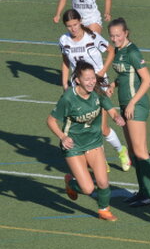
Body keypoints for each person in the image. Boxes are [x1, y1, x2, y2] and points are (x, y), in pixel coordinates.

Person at [47, 60, 125, 221]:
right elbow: (51, 121)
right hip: (74, 146)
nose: (91, 82)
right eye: (87, 79)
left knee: (103, 182)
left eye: (93, 78)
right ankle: (70, 183)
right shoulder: (68, 98)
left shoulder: (97, 92)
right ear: (78, 80)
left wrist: (116, 117)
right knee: (88, 189)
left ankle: (104, 210)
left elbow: (110, 108)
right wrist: (63, 137)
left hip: (94, 142)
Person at [59, 9, 131, 172]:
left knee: (102, 128)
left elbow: (111, 51)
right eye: (69, 26)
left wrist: (101, 73)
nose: (73, 29)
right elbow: (65, 61)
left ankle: (121, 150)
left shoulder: (91, 37)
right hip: (78, 88)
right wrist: (64, 84)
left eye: (75, 24)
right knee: (85, 126)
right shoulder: (64, 40)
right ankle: (101, 160)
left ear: (80, 22)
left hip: (97, 85)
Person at [108, 17, 150, 207]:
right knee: (133, 151)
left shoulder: (133, 52)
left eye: (118, 35)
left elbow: (147, 80)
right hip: (125, 105)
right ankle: (142, 191)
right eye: (112, 36)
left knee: (140, 150)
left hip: (136, 106)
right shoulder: (118, 50)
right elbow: (125, 74)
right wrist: (113, 84)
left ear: (126, 33)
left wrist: (132, 103)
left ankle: (149, 195)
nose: (115, 39)